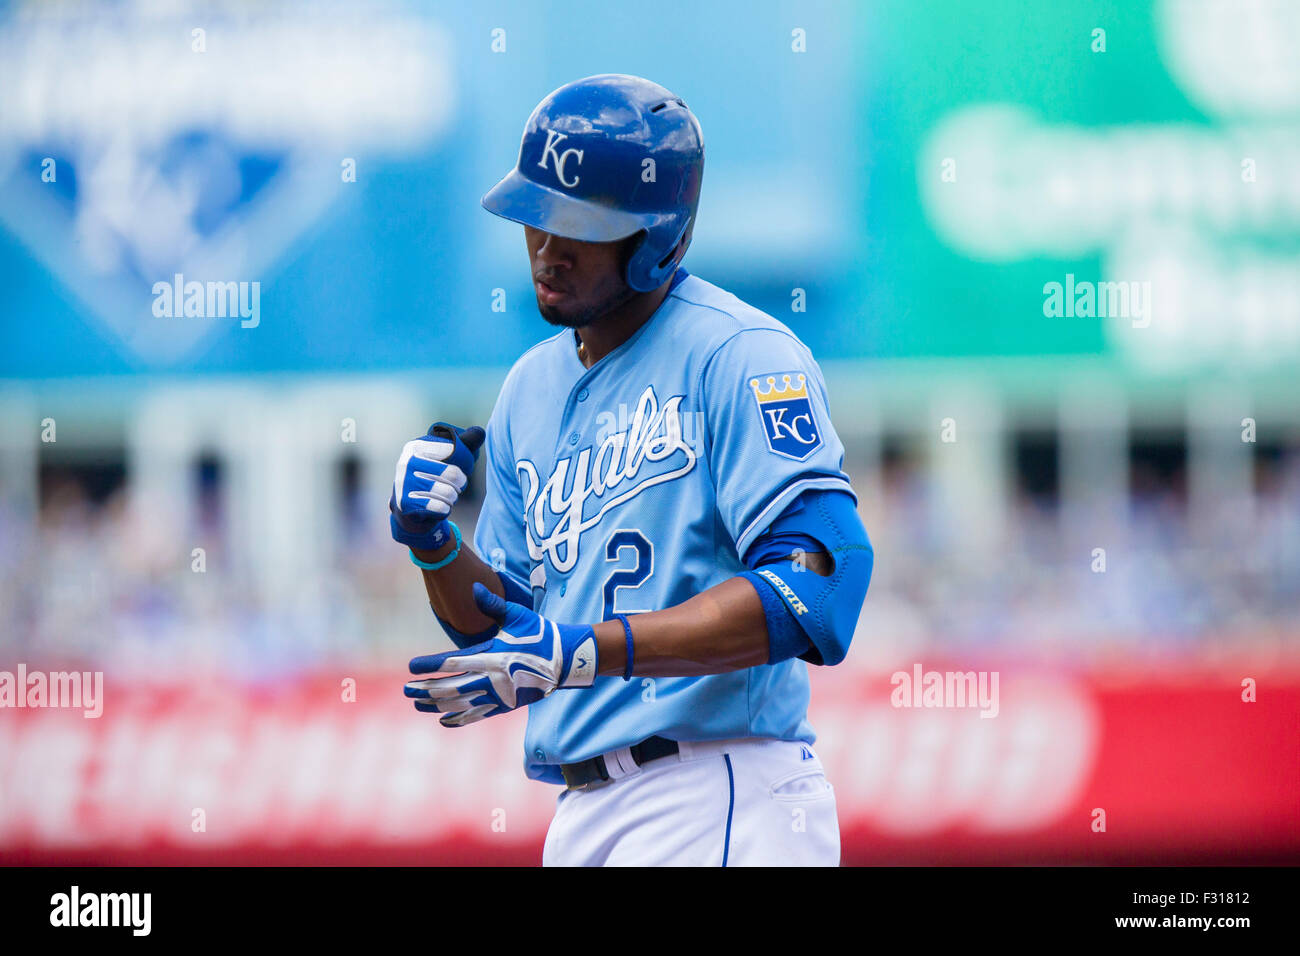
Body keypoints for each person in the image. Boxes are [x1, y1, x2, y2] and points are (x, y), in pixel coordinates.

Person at [390, 74, 873, 866]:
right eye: (534, 216)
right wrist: (433, 543)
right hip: (583, 806)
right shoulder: (528, 388)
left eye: (577, 226)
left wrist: (583, 650)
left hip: (719, 783)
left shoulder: (740, 354)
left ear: (657, 236)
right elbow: (510, 627)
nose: (547, 247)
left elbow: (822, 586)